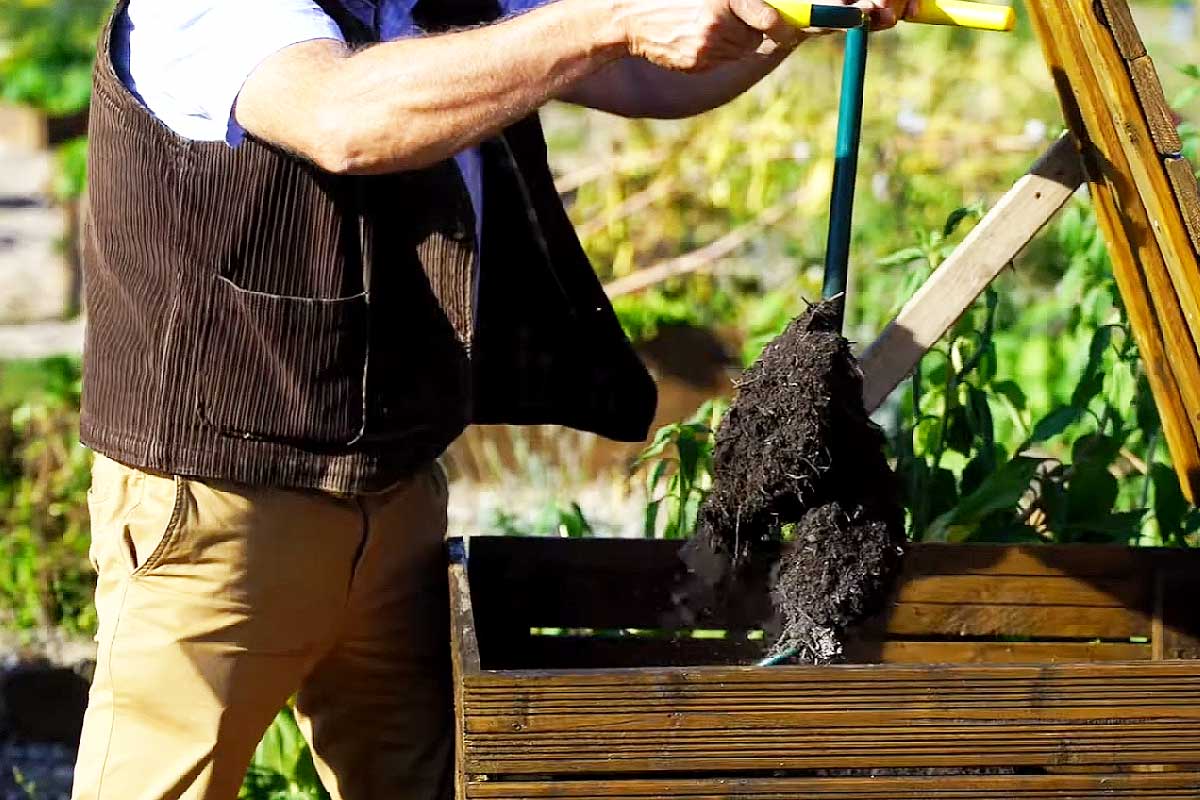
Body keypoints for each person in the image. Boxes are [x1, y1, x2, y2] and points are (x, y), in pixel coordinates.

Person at [72, 0, 907, 798]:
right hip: (220, 503)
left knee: (428, 784)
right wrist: (609, 18)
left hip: (396, 489)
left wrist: (790, 15)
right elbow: (343, 116)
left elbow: (648, 71)